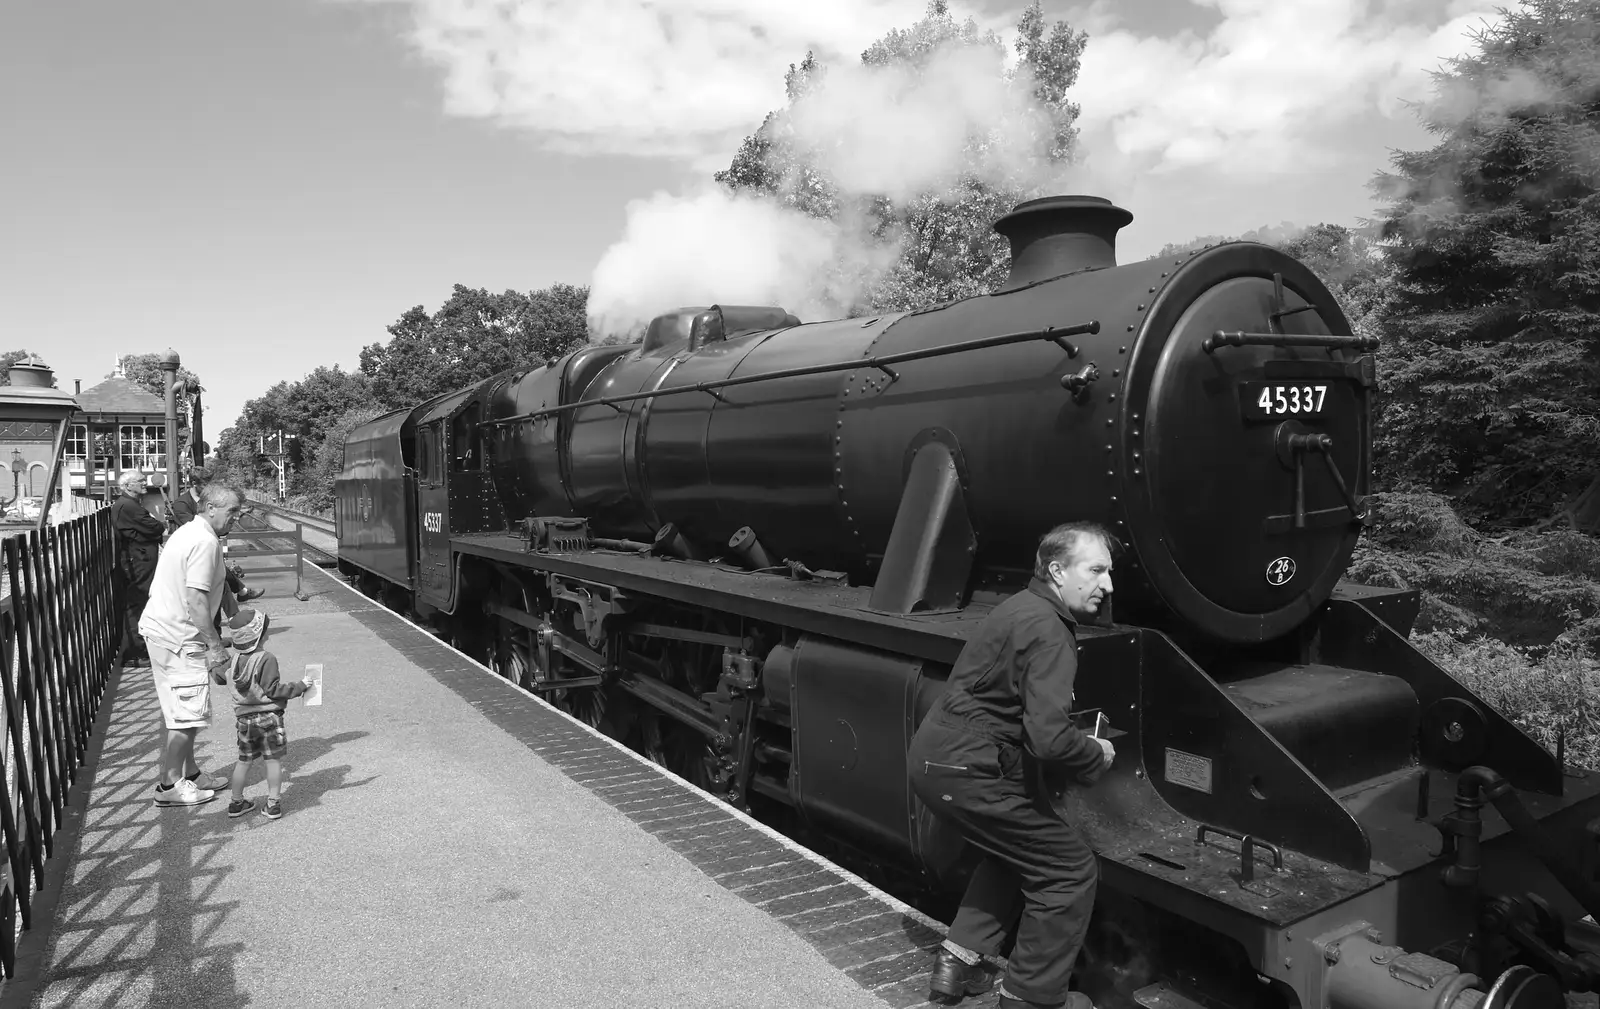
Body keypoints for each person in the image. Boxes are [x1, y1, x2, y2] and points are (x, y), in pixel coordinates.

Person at [907, 522, 1119, 1009]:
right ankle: (1031, 997)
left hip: (939, 759)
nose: (1108, 585)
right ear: (1057, 570)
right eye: (1097, 570)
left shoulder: (1020, 607)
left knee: (1017, 850)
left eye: (1110, 572)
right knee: (1067, 870)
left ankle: (957, 963)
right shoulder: (1050, 632)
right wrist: (1096, 754)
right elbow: (1047, 739)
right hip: (969, 767)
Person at [138, 483, 246, 807]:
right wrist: (215, 647)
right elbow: (197, 599)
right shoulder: (204, 542)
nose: (236, 519)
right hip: (179, 637)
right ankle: (169, 786)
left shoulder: (188, 532)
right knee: (186, 715)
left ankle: (192, 774)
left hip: (163, 629)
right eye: (232, 512)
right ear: (211, 508)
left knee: (186, 709)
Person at [215, 606, 311, 821]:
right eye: (265, 629)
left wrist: (214, 665)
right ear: (258, 634)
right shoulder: (266, 658)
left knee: (244, 761)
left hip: (244, 721)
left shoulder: (235, 659)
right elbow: (273, 690)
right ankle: (273, 805)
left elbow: (219, 678)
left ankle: (236, 803)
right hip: (269, 718)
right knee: (272, 761)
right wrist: (301, 686)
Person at [172, 467, 262, 603]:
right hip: (193, 551)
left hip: (209, 545)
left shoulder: (211, 500)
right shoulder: (181, 503)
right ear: (193, 484)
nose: (208, 487)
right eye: (204, 484)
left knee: (219, 579)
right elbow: (194, 526)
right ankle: (239, 600)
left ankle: (236, 610)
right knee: (218, 578)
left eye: (210, 483)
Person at [109, 471, 165, 668]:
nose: (144, 483)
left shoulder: (128, 505)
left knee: (139, 602)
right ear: (127, 486)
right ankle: (135, 651)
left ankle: (138, 648)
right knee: (137, 603)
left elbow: (152, 527)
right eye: (140, 481)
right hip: (137, 561)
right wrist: (158, 526)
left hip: (138, 558)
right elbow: (156, 527)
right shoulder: (129, 507)